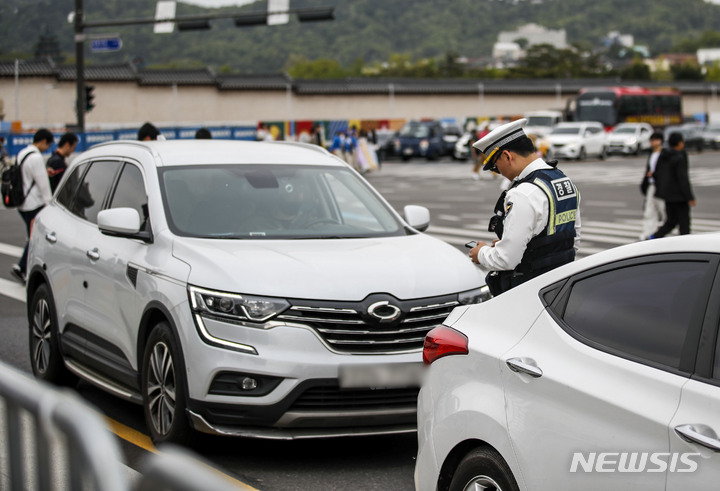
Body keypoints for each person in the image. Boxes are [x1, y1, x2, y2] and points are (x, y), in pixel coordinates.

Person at [468, 118, 581, 296]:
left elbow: (506, 259)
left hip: (530, 290)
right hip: (561, 286)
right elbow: (570, 238)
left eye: (496, 166)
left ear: (507, 156)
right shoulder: (562, 180)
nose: (498, 172)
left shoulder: (522, 193)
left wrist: (481, 253)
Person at [11, 128, 54, 284]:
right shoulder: (36, 157)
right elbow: (43, 184)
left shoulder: (23, 153)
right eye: (48, 145)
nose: (47, 148)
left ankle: (22, 268)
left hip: (22, 202)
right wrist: (50, 205)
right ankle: (22, 267)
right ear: (43, 141)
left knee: (32, 236)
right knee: (34, 237)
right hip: (34, 203)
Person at [650, 132, 696, 238]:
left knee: (670, 222)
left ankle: (653, 237)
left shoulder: (664, 155)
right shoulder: (679, 157)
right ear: (680, 143)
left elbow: (657, 173)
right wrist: (690, 197)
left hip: (667, 195)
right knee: (684, 225)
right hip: (679, 197)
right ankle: (686, 247)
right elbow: (683, 178)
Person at [639, 132, 666, 240]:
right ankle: (647, 234)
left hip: (662, 187)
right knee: (649, 211)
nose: (652, 143)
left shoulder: (665, 154)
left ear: (660, 141)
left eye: (654, 140)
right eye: (651, 141)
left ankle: (664, 233)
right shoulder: (652, 154)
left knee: (664, 211)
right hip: (651, 185)